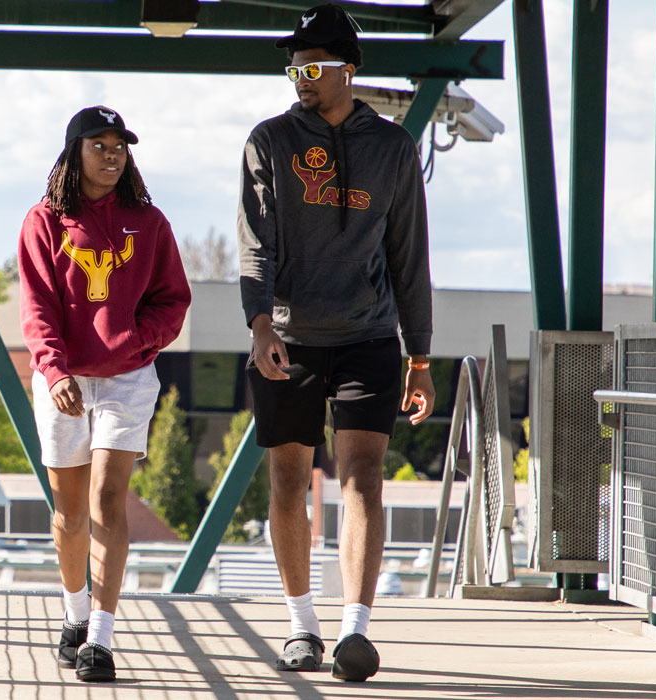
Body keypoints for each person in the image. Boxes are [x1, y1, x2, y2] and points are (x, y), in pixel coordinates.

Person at [237, 3, 435, 683]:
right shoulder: (268, 142)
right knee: (290, 479)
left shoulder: (393, 148)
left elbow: (410, 258)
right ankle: (301, 626)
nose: (301, 79)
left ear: (350, 69)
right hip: (288, 338)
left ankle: (355, 630)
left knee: (363, 480)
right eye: (294, 67)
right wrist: (260, 324)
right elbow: (255, 243)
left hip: (370, 337)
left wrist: (421, 356)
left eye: (314, 67)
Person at [18, 106, 191, 683]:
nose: (112, 154)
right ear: (74, 152)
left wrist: (135, 343)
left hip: (127, 379)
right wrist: (54, 369)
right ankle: (72, 616)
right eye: (99, 144)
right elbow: (37, 306)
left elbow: (173, 301)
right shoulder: (44, 221)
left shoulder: (150, 222)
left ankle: (100, 637)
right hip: (62, 380)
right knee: (68, 512)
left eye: (120, 145)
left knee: (107, 500)